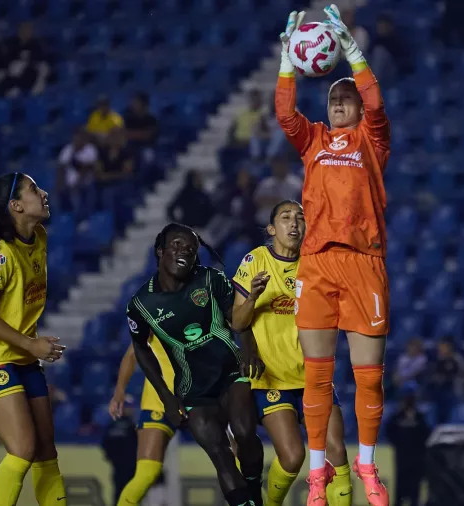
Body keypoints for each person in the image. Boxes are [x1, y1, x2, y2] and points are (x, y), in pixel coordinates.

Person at [275, 7, 392, 505]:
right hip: (318, 263)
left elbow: (376, 100)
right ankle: (318, 475)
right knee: (318, 375)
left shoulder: (373, 139)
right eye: (334, 97)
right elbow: (284, 113)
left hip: (363, 261)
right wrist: (286, 61)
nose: (342, 101)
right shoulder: (314, 142)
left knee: (369, 375)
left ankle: (366, 464)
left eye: (348, 98)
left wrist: (352, 53)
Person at [125, 223, 264, 506]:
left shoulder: (211, 279)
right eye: (177, 245)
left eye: (190, 248)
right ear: (160, 251)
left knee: (245, 432)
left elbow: (238, 319)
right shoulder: (141, 304)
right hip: (193, 391)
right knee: (220, 454)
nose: (185, 251)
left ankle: (254, 491)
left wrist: (250, 350)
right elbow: (141, 349)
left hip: (231, 373)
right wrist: (166, 396)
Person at [231, 200, 352, 506]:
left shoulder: (315, 264)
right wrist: (254, 296)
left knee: (336, 450)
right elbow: (238, 322)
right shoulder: (255, 260)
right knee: (294, 455)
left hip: (313, 373)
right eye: (286, 218)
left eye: (300, 218)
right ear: (272, 229)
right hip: (272, 377)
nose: (295, 223)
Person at [0, 172, 67, 506]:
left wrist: (29, 344)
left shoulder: (39, 236)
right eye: (35, 189)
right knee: (23, 449)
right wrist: (31, 344)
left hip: (21, 356)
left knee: (47, 451)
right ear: (16, 206)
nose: (44, 192)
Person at [108, 341, 178, 505]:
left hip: (202, 399)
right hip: (159, 401)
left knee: (235, 460)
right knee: (147, 472)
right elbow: (133, 353)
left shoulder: (207, 314)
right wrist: (119, 391)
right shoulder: (154, 315)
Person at [384, 383, 430, 506]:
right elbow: (388, 432)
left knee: (415, 490)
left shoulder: (420, 417)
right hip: (402, 457)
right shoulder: (396, 417)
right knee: (400, 489)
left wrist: (414, 421)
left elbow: (427, 434)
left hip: (417, 459)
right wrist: (398, 443)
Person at [102, 394, 139, 506]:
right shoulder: (131, 426)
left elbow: (105, 445)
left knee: (118, 494)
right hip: (130, 467)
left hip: (118, 467)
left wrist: (112, 459)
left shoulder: (112, 425)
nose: (130, 410)